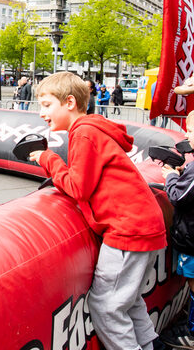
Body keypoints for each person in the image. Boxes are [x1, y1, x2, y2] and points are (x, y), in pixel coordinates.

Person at [29, 72, 166, 350]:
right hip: (142, 225)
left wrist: (48, 159)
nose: (41, 113)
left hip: (128, 230)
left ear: (69, 102)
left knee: (105, 305)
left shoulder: (84, 133)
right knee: (128, 300)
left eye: (46, 105)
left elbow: (78, 187)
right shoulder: (92, 129)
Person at [159, 110, 194, 348]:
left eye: (190, 131)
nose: (187, 135)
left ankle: (192, 334)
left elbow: (178, 196)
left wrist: (171, 176)